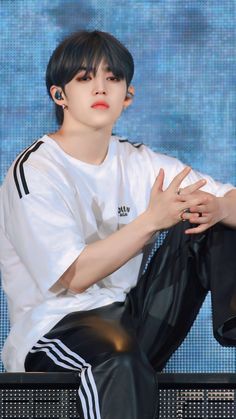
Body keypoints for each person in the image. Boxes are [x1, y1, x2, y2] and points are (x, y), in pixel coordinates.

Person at [0, 30, 236, 419]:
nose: (100, 88)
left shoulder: (141, 162)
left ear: (127, 96)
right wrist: (150, 222)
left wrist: (220, 209)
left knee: (211, 212)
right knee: (118, 356)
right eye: (84, 78)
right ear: (60, 95)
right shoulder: (35, 172)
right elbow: (74, 276)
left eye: (112, 78)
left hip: (129, 319)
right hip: (55, 330)